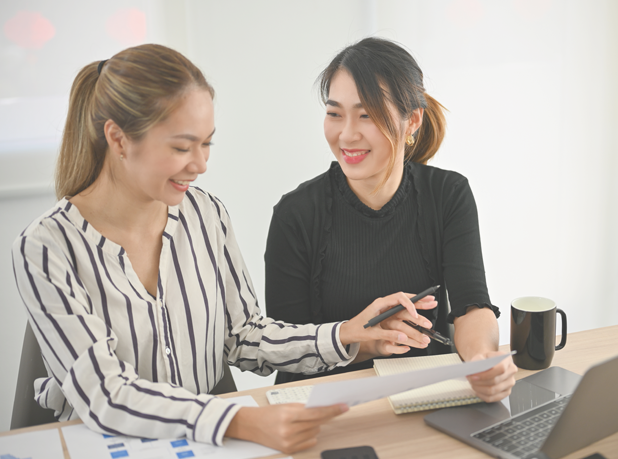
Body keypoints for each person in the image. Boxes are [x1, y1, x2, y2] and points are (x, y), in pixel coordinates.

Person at [12, 44, 432, 454]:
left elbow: (243, 336)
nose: (200, 164)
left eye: (206, 143)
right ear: (118, 139)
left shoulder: (205, 213)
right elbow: (104, 393)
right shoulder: (46, 248)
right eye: (181, 147)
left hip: (206, 444)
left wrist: (347, 336)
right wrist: (239, 421)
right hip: (104, 444)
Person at [265, 37, 517, 402]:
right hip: (331, 407)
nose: (346, 134)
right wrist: (365, 341)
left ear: (411, 120)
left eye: (366, 114)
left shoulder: (448, 194)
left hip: (429, 396)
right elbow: (287, 350)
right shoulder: (296, 214)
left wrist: (479, 359)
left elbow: (471, 306)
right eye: (335, 113)